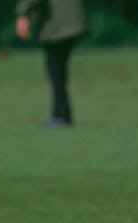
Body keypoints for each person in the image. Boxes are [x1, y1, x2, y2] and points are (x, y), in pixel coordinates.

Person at [15, 0, 87, 128]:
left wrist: (23, 13)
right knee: (58, 70)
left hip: (57, 25)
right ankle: (61, 114)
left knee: (56, 70)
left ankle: (61, 116)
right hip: (73, 21)